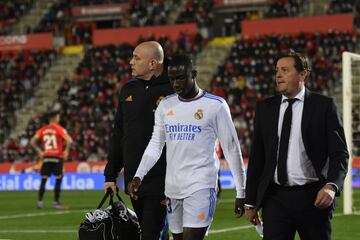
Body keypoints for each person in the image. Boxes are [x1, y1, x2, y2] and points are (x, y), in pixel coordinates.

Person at [128, 54, 246, 240]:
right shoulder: (165, 106)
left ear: (194, 74)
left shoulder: (215, 106)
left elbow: (231, 148)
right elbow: (155, 145)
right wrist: (138, 175)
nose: (176, 84)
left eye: (181, 77)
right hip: (173, 188)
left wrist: (241, 190)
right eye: (172, 79)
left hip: (201, 184)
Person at [244, 49, 349, 239]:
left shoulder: (324, 106)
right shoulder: (265, 108)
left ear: (303, 74)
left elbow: (339, 153)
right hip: (275, 198)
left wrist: (331, 186)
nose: (278, 74)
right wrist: (251, 202)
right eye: (277, 70)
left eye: (285, 70)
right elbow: (258, 158)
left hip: (313, 198)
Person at [104, 41, 173, 240]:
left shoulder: (172, 89)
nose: (130, 62)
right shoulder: (128, 89)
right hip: (134, 178)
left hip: (162, 177)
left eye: (136, 58)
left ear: (153, 63)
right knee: (149, 231)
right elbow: (119, 134)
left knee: (151, 233)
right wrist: (110, 174)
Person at [30, 110, 73, 209]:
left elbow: (32, 141)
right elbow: (69, 140)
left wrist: (39, 151)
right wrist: (66, 151)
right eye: (58, 117)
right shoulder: (59, 129)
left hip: (46, 157)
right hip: (57, 157)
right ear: (54, 119)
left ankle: (40, 202)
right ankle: (56, 202)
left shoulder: (43, 130)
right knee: (59, 178)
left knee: (44, 179)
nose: (59, 119)